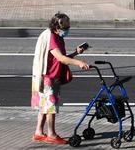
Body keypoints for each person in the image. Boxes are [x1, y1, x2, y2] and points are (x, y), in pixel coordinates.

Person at [32, 12, 91, 144]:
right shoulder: (52, 37)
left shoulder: (58, 37)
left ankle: (39, 132)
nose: (67, 30)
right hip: (48, 78)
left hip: (51, 76)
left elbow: (58, 59)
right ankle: (52, 135)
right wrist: (79, 62)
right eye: (65, 28)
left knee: (44, 106)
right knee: (50, 107)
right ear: (57, 28)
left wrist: (76, 52)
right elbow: (61, 58)